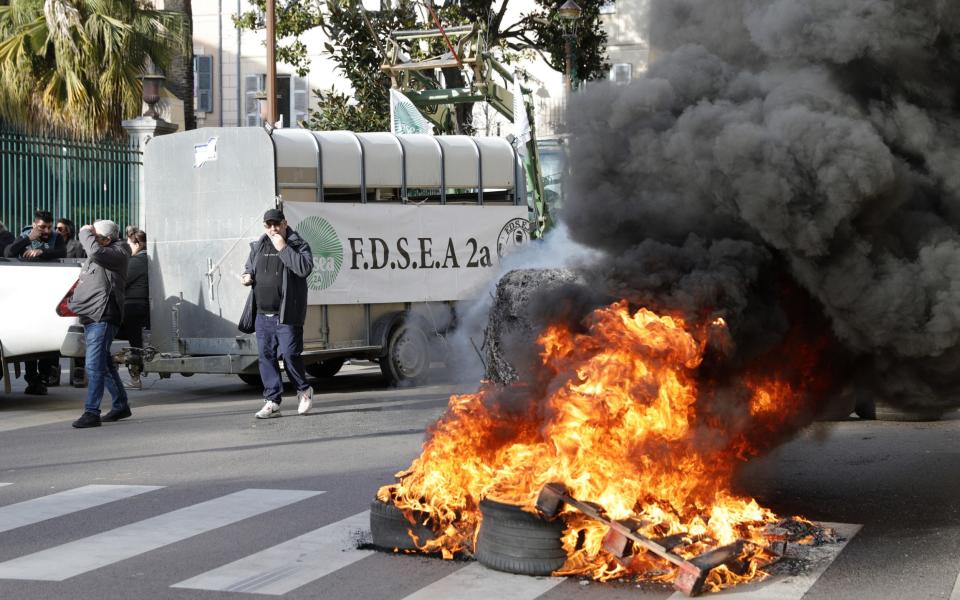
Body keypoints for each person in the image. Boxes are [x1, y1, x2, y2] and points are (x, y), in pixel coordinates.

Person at [241, 208, 314, 418]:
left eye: (277, 224)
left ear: (285, 223)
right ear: (265, 226)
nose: (273, 229)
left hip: (287, 314)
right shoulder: (259, 245)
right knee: (266, 357)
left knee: (290, 355)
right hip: (263, 315)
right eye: (269, 225)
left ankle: (304, 390)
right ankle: (272, 401)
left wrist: (283, 247)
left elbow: (304, 268)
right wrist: (247, 275)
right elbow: (249, 267)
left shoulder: (297, 244)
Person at [69, 220, 131, 429]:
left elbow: (94, 252)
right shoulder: (101, 251)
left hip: (103, 315)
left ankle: (91, 412)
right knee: (103, 365)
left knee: (93, 365)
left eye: (95, 236)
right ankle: (121, 405)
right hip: (92, 316)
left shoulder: (119, 251)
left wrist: (85, 232)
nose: (90, 239)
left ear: (106, 238)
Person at [6, 210, 66, 394]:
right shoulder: (24, 235)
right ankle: (32, 379)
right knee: (30, 342)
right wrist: (28, 239)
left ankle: (44, 375)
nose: (46, 231)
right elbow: (8, 252)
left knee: (48, 342)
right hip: (27, 295)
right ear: (34, 225)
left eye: (48, 227)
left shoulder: (56, 238)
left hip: (49, 294)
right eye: (42, 227)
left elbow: (62, 252)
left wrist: (42, 251)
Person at [120, 227, 150, 389]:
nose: (127, 247)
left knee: (134, 345)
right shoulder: (146, 259)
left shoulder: (136, 261)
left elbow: (122, 282)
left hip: (132, 306)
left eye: (129, 244)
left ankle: (135, 379)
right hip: (140, 306)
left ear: (137, 244)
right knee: (136, 342)